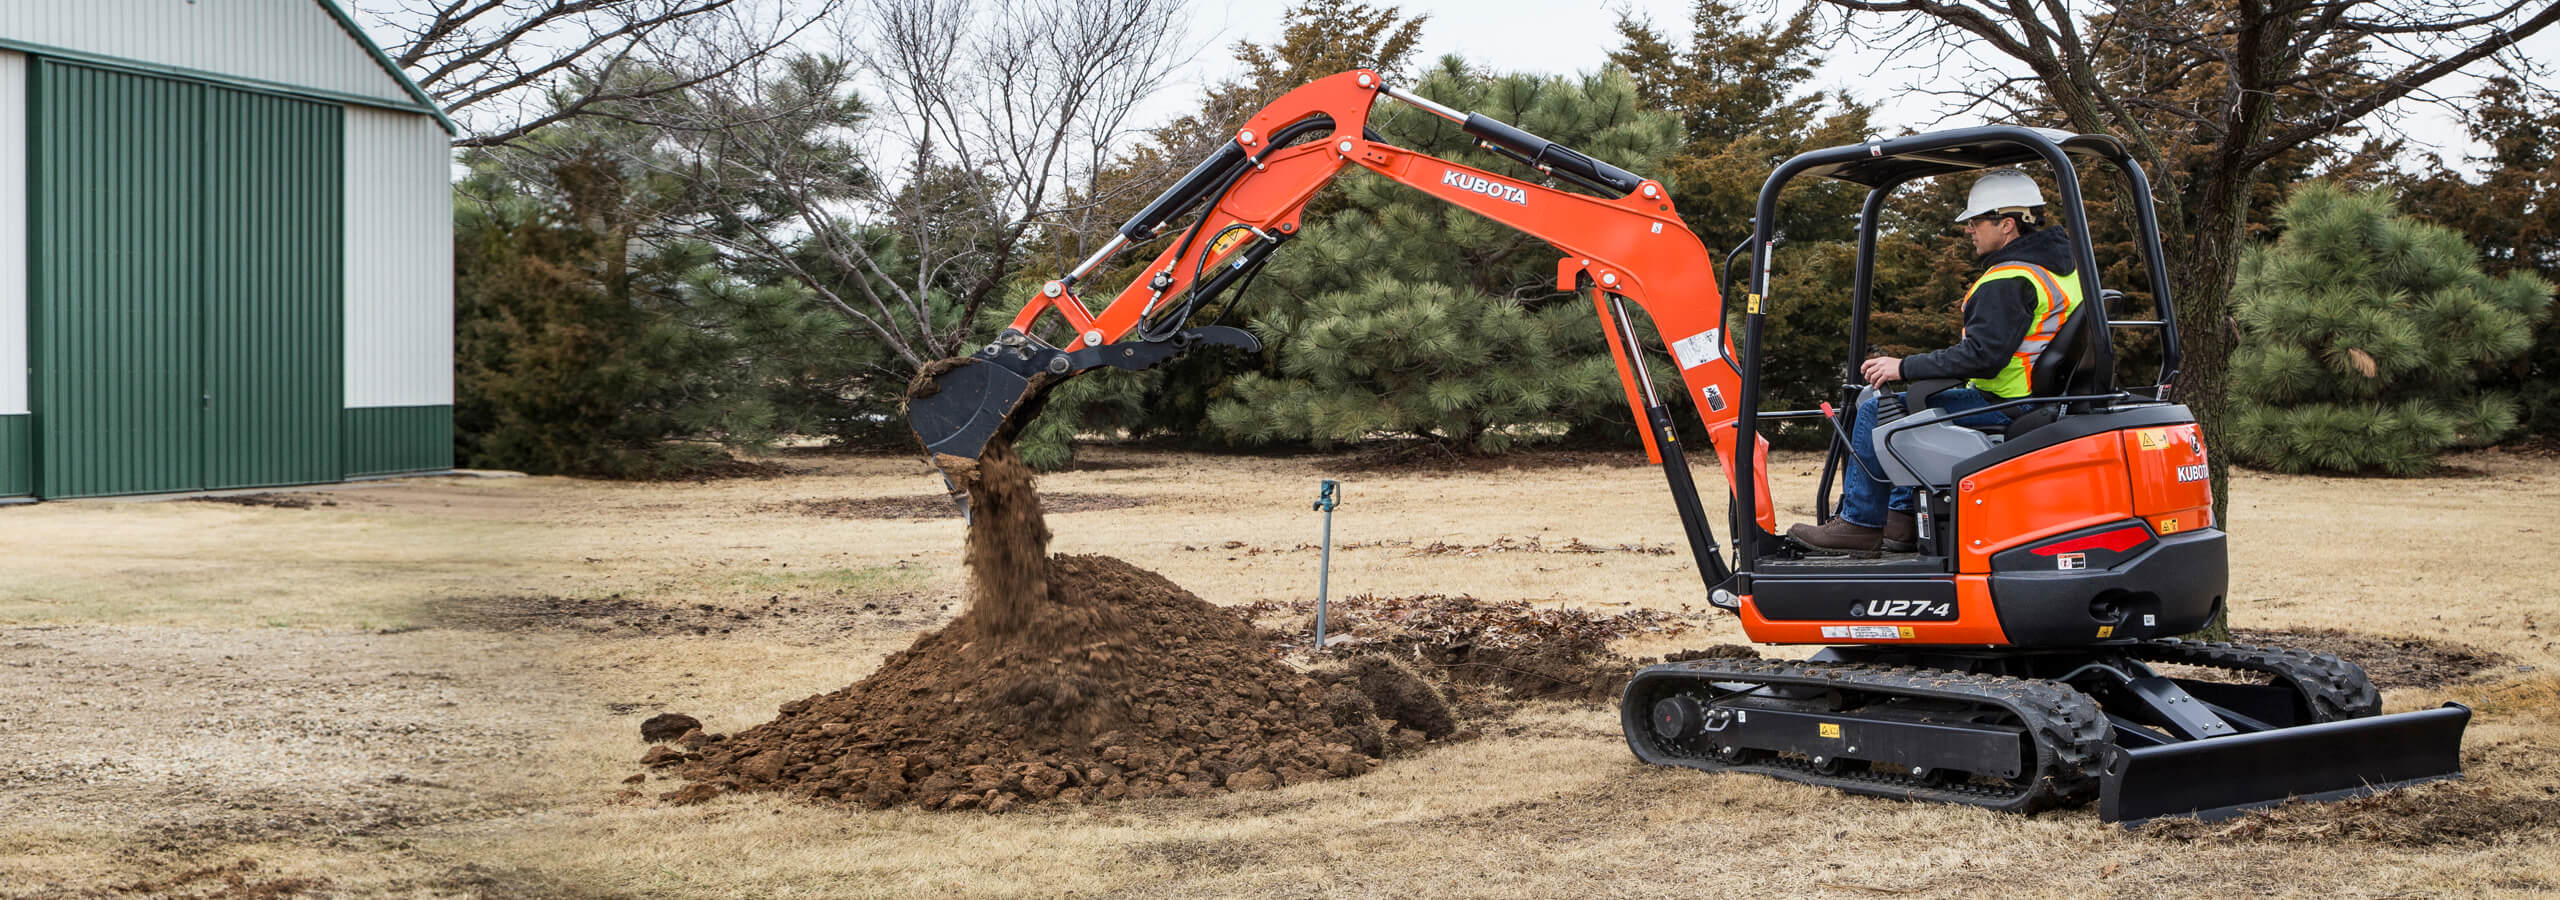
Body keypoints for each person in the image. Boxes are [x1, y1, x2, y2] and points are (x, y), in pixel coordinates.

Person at [1788, 168, 2086, 553]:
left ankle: (1859, 524)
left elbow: (1983, 357)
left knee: (1875, 412)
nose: (1969, 229)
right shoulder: (2063, 271)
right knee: (1907, 403)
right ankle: (1901, 521)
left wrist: (1903, 366)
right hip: (2038, 398)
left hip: (2007, 403)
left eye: (1976, 220)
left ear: (2007, 225)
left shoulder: (2010, 279)